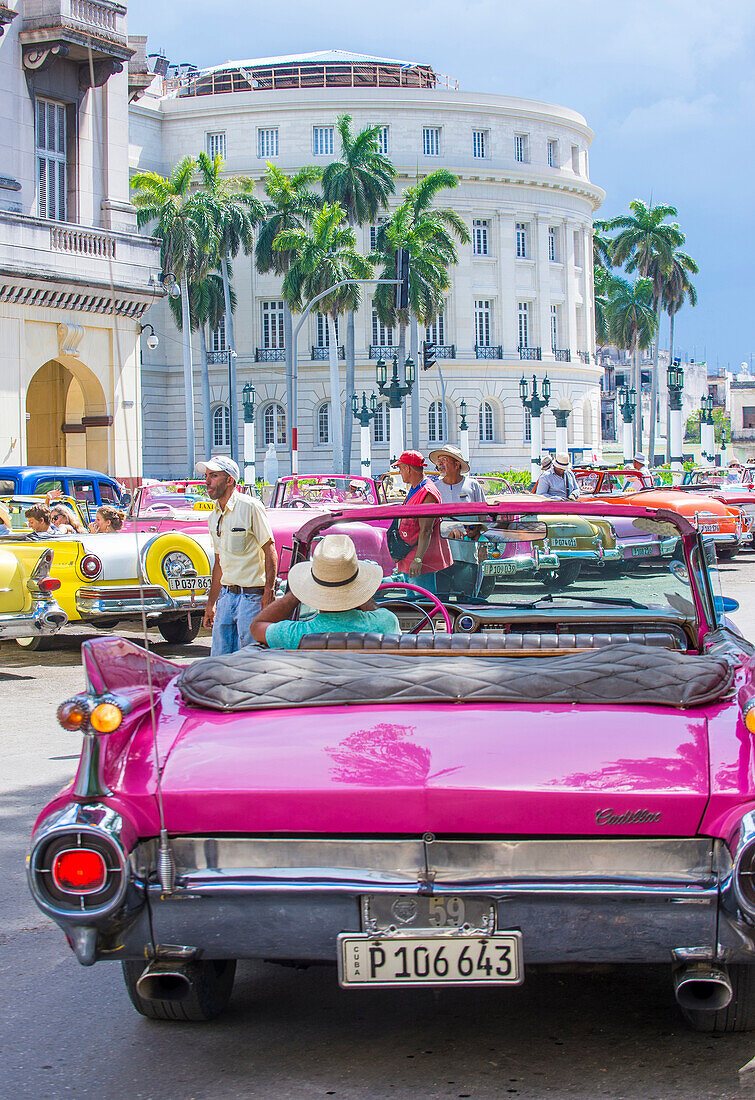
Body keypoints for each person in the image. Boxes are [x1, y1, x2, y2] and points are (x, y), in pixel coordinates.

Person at [251, 533, 400, 648]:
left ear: (314, 588)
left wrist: (297, 592)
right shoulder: (385, 623)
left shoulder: (295, 634)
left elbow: (257, 626)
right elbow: (378, 614)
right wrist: (362, 595)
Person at [199, 455, 278, 656]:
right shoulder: (214, 516)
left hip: (252, 597)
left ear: (229, 480)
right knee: (220, 658)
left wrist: (268, 591)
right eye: (206, 476)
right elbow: (219, 562)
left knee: (251, 658)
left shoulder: (250, 506)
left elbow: (269, 549)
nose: (207, 481)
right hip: (226, 596)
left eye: (214, 476)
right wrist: (211, 604)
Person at [388, 450, 452, 594]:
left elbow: (426, 530)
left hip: (420, 559)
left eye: (400, 468)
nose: (400, 472)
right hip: (408, 554)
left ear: (408, 468)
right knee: (412, 604)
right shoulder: (416, 488)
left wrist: (418, 559)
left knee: (423, 602)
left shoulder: (427, 492)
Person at [428, 445, 486, 599]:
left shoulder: (473, 486)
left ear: (457, 464)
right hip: (441, 556)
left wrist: (483, 545)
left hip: (467, 554)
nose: (440, 464)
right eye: (439, 461)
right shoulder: (434, 488)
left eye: (444, 460)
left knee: (466, 601)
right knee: (441, 602)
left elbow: (483, 519)